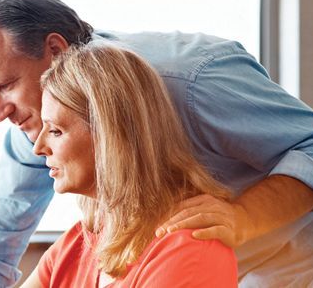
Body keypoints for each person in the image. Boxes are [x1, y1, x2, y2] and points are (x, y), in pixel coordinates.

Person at [0, 0, 313, 287]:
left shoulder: (190, 80)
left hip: (299, 260)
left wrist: (243, 218)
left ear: (54, 49)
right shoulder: (38, 113)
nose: (0, 112)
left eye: (6, 86)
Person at [19, 40, 237, 288]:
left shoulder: (191, 247)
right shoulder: (76, 244)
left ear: (111, 136)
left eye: (56, 131)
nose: (38, 148)